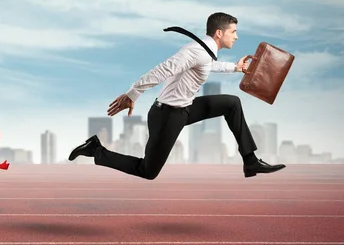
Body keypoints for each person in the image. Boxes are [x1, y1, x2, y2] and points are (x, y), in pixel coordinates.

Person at [68, 12, 286, 179]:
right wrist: (133, 93)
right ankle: (96, 150)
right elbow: (163, 69)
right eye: (233, 32)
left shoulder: (205, 51)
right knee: (148, 171)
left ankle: (250, 161)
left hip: (185, 109)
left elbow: (207, 65)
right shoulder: (195, 51)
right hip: (167, 115)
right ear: (219, 33)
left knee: (232, 104)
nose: (237, 37)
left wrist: (235, 68)